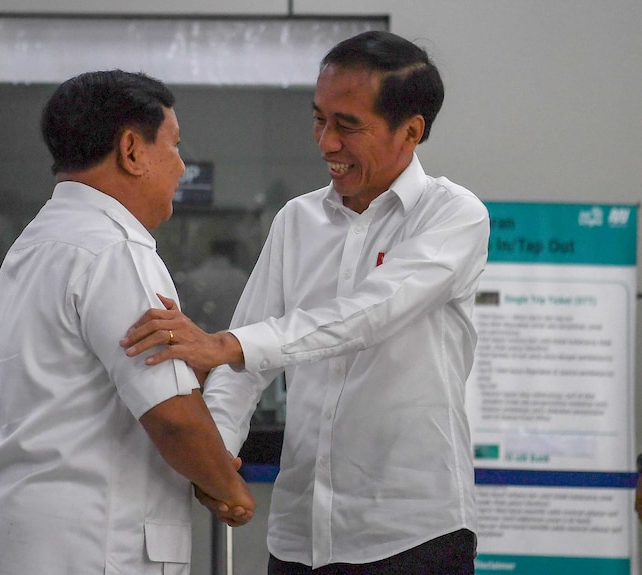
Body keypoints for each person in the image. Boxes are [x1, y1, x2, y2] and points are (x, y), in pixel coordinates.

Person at [121, 31, 490, 574]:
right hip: (299, 536)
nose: (326, 142)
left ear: (411, 131)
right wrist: (217, 457)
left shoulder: (453, 216)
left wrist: (226, 345)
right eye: (319, 118)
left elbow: (370, 314)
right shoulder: (298, 219)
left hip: (413, 533)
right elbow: (245, 369)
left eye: (348, 125)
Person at [0, 70, 255, 575]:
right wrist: (229, 488)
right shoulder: (116, 249)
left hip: (10, 536)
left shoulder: (35, 243)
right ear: (132, 150)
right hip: (88, 545)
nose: (181, 168)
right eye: (174, 146)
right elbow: (173, 416)